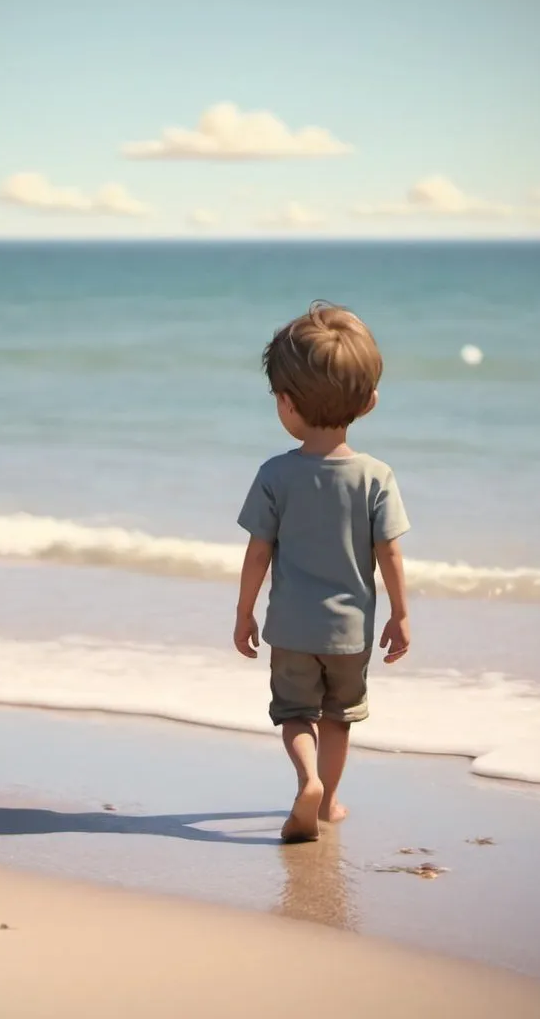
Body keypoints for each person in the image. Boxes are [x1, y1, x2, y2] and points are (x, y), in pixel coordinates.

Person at [233, 301, 410, 843]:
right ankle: (328, 800)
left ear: (285, 405)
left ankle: (305, 779)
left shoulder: (275, 475)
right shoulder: (376, 476)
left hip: (290, 628)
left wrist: (244, 613)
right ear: (371, 402)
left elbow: (258, 554)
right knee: (338, 717)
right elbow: (389, 555)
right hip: (349, 633)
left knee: (294, 712)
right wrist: (401, 615)